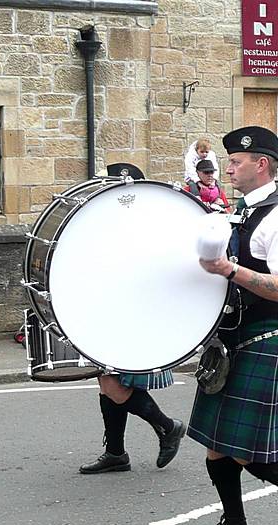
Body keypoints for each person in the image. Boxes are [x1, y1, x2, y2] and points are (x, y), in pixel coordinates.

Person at [185, 125, 278, 525]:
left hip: (263, 336)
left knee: (245, 451)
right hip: (231, 337)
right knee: (218, 446)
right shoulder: (240, 211)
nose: (228, 168)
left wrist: (228, 270)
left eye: (235, 161)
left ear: (263, 164)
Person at [79, 162, 186, 475]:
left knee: (114, 384)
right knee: (106, 383)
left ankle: (168, 427)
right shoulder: (115, 221)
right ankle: (115, 453)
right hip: (115, 314)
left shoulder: (144, 224)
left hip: (136, 317)